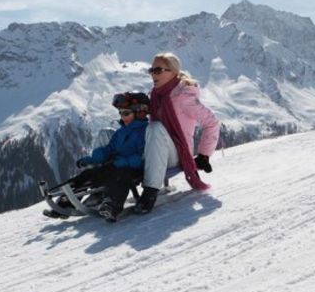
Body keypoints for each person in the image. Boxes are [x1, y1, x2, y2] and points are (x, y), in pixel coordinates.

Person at [134, 52, 220, 214]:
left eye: (158, 70)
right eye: (151, 70)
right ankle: (97, 186)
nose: (153, 74)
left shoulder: (183, 97)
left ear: (173, 72)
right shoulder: (154, 95)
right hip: (154, 150)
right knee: (110, 134)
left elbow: (212, 122)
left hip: (177, 154)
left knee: (156, 128)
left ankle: (150, 191)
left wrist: (204, 155)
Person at [72, 92, 150, 222]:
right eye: (120, 113)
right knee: (89, 174)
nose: (122, 116)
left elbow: (144, 157)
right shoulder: (121, 132)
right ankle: (67, 200)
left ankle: (112, 205)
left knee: (120, 176)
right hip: (116, 165)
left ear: (139, 113)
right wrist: (96, 157)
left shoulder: (146, 132)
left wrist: (124, 162)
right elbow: (111, 148)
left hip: (133, 170)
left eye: (126, 113)